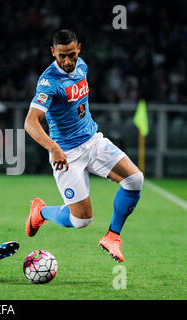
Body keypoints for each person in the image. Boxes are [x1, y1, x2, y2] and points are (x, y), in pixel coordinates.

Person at [24, 30, 143, 262]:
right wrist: (54, 148)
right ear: (53, 52)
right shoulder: (48, 82)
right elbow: (30, 122)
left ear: (79, 48)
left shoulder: (82, 67)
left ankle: (112, 237)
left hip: (93, 141)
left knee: (135, 179)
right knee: (81, 220)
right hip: (67, 154)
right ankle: (41, 212)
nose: (67, 61)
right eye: (61, 56)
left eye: (71, 55)